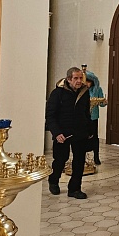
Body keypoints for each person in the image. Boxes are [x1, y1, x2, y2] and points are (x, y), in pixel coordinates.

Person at [46, 67, 92, 199]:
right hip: (62, 133)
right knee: (60, 159)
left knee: (79, 161)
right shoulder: (58, 93)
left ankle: (74, 189)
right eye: (76, 78)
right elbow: (50, 115)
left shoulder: (84, 92)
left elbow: (86, 113)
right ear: (68, 79)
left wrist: (89, 130)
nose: (79, 81)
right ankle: (53, 180)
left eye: (80, 78)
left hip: (80, 132)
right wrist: (56, 133)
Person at [84, 71, 107, 165]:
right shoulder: (81, 90)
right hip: (83, 117)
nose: (87, 83)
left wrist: (104, 102)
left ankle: (96, 157)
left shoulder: (97, 89)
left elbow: (101, 103)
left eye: (89, 81)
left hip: (93, 117)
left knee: (94, 137)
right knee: (83, 137)